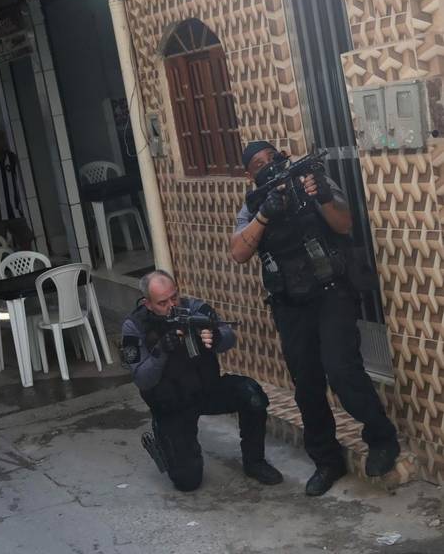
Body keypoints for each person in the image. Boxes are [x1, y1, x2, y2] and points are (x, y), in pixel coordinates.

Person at [230, 140, 400, 496]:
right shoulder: (253, 204)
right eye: (258, 164)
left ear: (282, 157)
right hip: (289, 304)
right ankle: (326, 461)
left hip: (331, 293)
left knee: (342, 370)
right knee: (306, 384)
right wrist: (265, 214)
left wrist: (321, 196)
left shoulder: (309, 180)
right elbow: (239, 252)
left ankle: (382, 439)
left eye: (272, 158)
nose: (268, 166)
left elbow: (344, 224)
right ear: (249, 175)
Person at [120, 270, 283, 492]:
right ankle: (164, 435)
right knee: (187, 481)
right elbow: (142, 379)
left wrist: (216, 337)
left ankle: (255, 461)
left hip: (205, 389)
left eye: (174, 297)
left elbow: (228, 335)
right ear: (148, 303)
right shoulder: (134, 326)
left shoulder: (194, 308)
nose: (172, 305)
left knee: (252, 395)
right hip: (171, 403)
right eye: (162, 303)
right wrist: (161, 351)